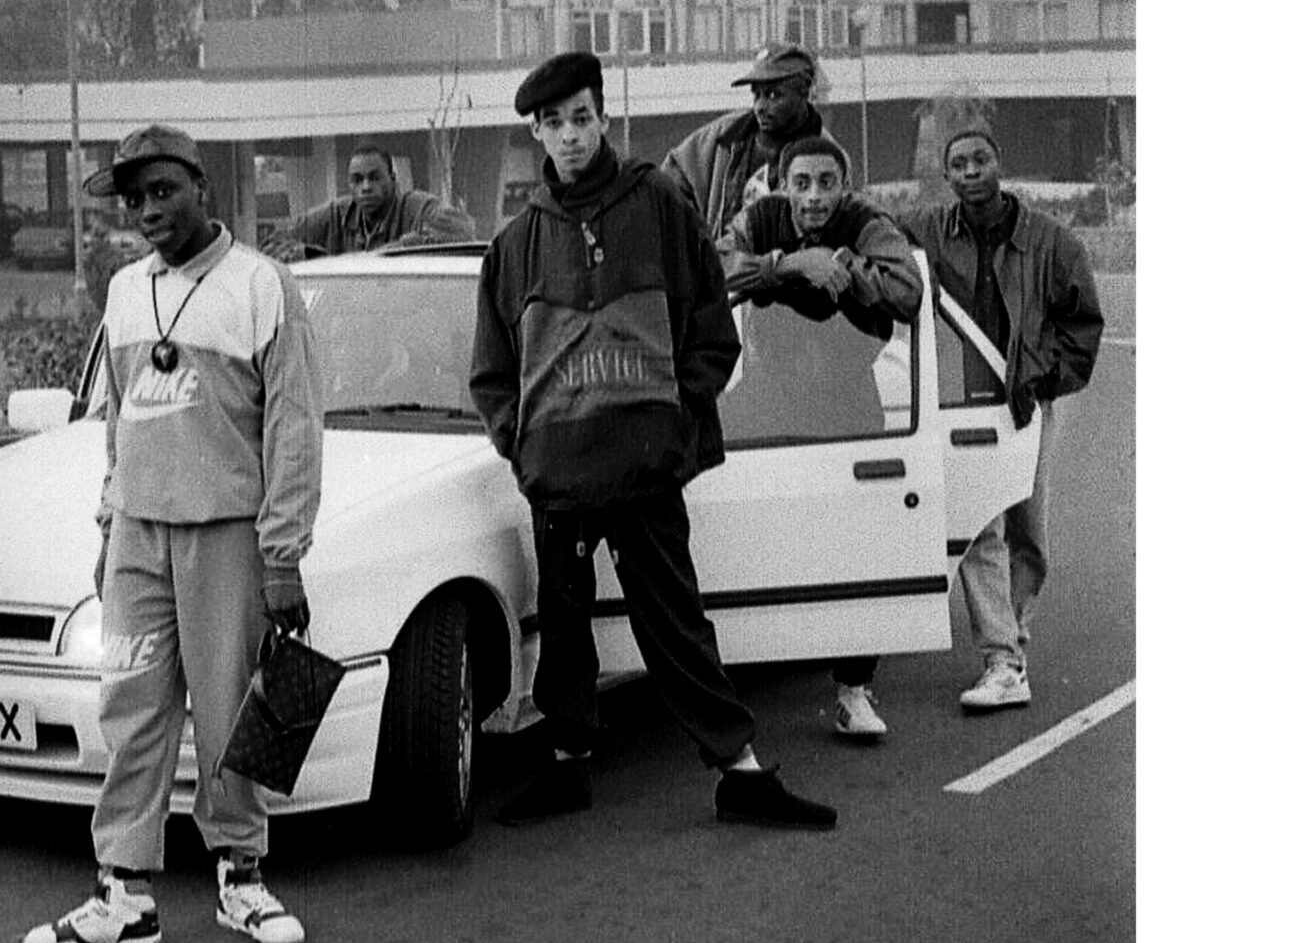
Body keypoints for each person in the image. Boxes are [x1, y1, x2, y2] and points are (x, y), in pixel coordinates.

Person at [469, 51, 836, 831]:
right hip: (559, 476)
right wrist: (525, 450)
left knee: (674, 620)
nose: (568, 137)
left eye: (580, 118)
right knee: (564, 630)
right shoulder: (516, 242)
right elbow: (492, 372)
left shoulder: (660, 204)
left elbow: (712, 324)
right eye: (551, 123)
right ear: (534, 131)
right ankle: (566, 767)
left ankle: (740, 771)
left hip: (645, 467)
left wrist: (674, 418)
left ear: (603, 118)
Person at [25, 126, 324, 943]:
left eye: (162, 191)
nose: (147, 210)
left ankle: (241, 875)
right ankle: (123, 892)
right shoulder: (126, 291)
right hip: (139, 534)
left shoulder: (263, 286)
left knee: (231, 710)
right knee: (132, 705)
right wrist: (108, 522)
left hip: (226, 531)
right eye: (134, 199)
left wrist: (282, 552)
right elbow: (119, 423)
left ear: (202, 187)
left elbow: (294, 430)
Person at [722, 133, 924, 741]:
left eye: (826, 183)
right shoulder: (760, 218)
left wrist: (843, 269)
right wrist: (788, 265)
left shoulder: (867, 222)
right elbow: (713, 267)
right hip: (768, 397)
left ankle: (854, 689)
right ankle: (738, 668)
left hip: (845, 398)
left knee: (858, 546)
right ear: (782, 185)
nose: (812, 197)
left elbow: (907, 290)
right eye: (800, 183)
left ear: (845, 185)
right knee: (739, 519)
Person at [902, 124, 1104, 712]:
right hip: (965, 401)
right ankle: (1003, 658)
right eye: (958, 164)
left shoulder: (1052, 241)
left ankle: (1012, 640)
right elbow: (875, 233)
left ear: (999, 163)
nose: (970, 172)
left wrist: (1044, 378)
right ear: (947, 176)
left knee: (1029, 529)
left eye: (979, 160)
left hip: (1027, 402)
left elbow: (1082, 325)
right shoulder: (930, 231)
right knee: (983, 526)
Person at [661, 42, 825, 240]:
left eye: (774, 95)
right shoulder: (721, 137)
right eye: (756, 95)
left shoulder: (829, 155)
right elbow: (667, 186)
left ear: (804, 92)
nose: (760, 106)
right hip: (725, 266)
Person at [268, 144, 474, 257]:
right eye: (357, 180)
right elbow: (273, 243)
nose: (366, 187)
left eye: (375, 177)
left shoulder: (416, 206)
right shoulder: (337, 213)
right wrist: (314, 256)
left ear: (393, 179)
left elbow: (462, 230)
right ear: (350, 185)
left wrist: (390, 253)